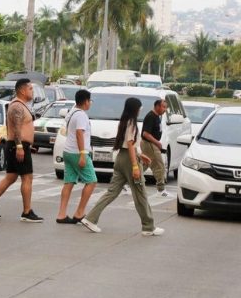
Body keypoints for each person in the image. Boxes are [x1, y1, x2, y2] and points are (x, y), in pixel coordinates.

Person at [80, 97, 164, 236]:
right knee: (140, 194)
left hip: (121, 158)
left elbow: (128, 144)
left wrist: (140, 155)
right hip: (129, 161)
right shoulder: (132, 123)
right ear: (135, 108)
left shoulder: (124, 121)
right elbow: (130, 144)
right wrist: (135, 166)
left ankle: (90, 218)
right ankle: (148, 227)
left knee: (112, 192)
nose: (141, 109)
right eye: (140, 107)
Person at [0, 79, 44, 222]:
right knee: (27, 177)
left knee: (11, 177)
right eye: (30, 88)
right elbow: (16, 128)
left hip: (18, 145)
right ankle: (27, 212)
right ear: (22, 90)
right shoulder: (17, 106)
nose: (32, 92)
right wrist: (20, 146)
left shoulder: (21, 105)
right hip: (17, 146)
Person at [56, 89, 98, 224]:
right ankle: (79, 213)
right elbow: (80, 133)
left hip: (68, 151)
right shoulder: (81, 115)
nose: (90, 103)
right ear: (86, 101)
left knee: (69, 182)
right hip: (77, 153)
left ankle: (61, 214)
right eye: (90, 101)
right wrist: (83, 154)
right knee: (91, 181)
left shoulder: (72, 112)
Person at [141, 99, 169, 197]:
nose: (165, 109)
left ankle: (127, 181)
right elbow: (145, 133)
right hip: (150, 144)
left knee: (145, 164)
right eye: (163, 107)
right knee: (159, 166)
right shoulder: (151, 116)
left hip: (151, 144)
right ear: (157, 106)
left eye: (166, 107)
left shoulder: (157, 116)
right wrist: (157, 143)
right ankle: (161, 189)